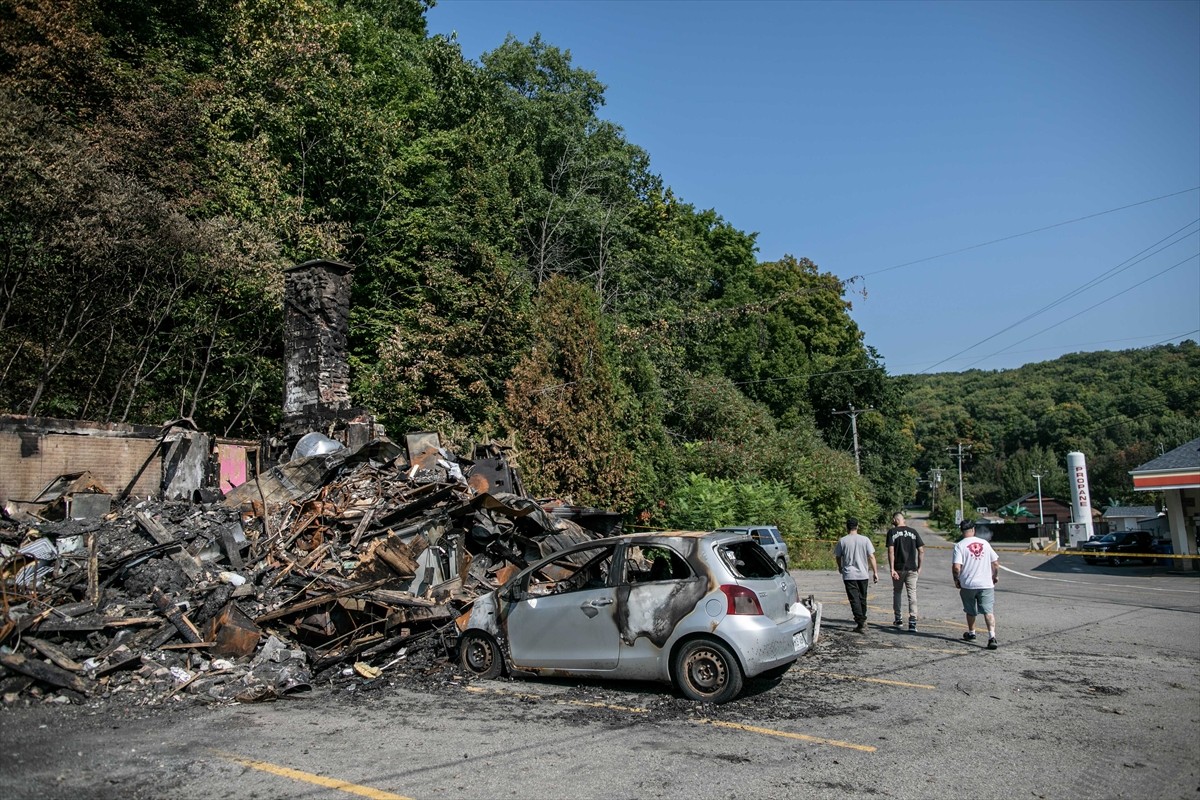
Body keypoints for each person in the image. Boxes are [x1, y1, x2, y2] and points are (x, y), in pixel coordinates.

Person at [952, 519, 1000, 649]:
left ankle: (972, 633)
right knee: (988, 611)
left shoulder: (959, 546)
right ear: (973, 530)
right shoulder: (985, 543)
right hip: (986, 583)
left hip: (968, 584)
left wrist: (956, 579)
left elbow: (957, 567)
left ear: (962, 531)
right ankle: (992, 636)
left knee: (970, 610)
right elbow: (995, 563)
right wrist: (994, 576)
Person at [834, 517, 878, 632]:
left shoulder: (843, 541)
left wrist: (840, 567)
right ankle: (862, 621)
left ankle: (861, 621)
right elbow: (871, 556)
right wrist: (875, 572)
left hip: (849, 574)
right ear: (857, 526)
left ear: (847, 527)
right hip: (863, 574)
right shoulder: (865, 540)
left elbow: (838, 556)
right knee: (862, 598)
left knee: (854, 599)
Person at [886, 511, 925, 631]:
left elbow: (891, 551)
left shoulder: (892, 532)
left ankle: (898, 619)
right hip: (912, 567)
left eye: (893, 520)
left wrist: (892, 569)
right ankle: (912, 621)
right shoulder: (913, 532)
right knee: (912, 593)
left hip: (898, 568)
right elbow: (921, 550)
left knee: (897, 592)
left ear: (896, 520)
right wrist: (919, 566)